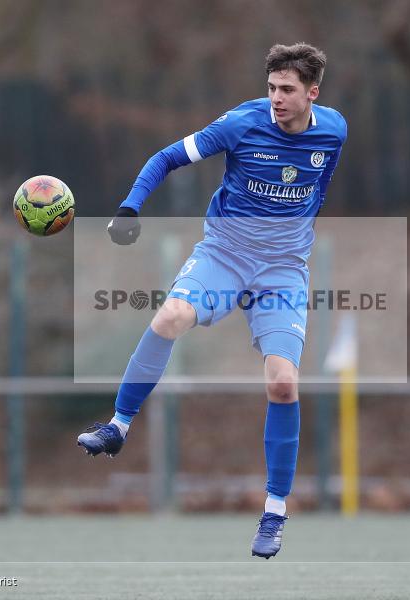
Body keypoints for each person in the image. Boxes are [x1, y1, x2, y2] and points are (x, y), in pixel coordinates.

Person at [78, 42, 346, 559]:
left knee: (285, 383)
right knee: (171, 315)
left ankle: (274, 512)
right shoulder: (241, 124)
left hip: (283, 272)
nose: (276, 99)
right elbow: (166, 158)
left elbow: (319, 185)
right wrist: (130, 207)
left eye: (287, 90)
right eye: (271, 88)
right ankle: (117, 426)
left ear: (312, 93)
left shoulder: (334, 129)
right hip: (225, 255)